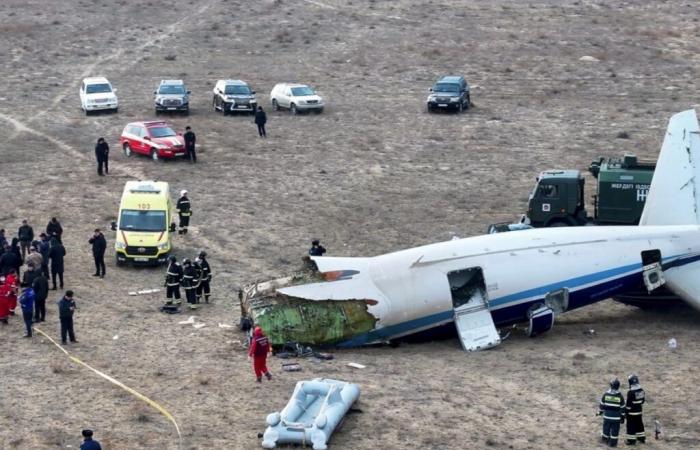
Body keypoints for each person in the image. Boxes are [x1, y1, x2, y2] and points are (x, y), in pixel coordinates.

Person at [599, 377, 626, 447]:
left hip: (607, 417)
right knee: (615, 431)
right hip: (616, 419)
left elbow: (601, 405)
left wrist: (600, 412)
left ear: (611, 385)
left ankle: (605, 440)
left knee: (606, 429)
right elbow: (623, 408)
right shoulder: (620, 396)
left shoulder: (606, 394)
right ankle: (613, 444)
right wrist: (623, 417)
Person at [625, 374, 646, 445]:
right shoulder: (641, 390)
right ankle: (641, 438)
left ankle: (631, 440)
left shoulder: (630, 392)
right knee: (639, 424)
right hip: (639, 412)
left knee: (631, 426)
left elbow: (628, 404)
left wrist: (626, 412)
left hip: (631, 413)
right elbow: (642, 401)